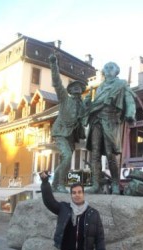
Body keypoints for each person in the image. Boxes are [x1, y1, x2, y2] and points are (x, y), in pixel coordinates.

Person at [40, 170, 106, 250]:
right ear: (71, 195)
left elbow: (100, 238)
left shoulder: (93, 214)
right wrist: (45, 182)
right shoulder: (64, 208)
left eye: (79, 192)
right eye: (74, 193)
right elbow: (49, 201)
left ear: (83, 194)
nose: (77, 195)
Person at [83, 62, 136, 194]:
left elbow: (129, 99)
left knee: (110, 154)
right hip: (96, 121)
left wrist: (130, 113)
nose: (108, 69)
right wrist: (88, 104)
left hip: (110, 121)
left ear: (116, 71)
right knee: (94, 154)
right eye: (105, 67)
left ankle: (115, 183)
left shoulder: (121, 84)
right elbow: (95, 105)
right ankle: (96, 184)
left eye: (111, 67)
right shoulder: (99, 87)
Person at [49, 54, 87, 193]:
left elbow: (86, 117)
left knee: (65, 160)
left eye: (79, 87)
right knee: (67, 156)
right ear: (70, 90)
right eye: (74, 87)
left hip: (72, 136)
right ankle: (59, 184)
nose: (77, 89)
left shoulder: (83, 105)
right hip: (60, 131)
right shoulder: (65, 99)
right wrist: (54, 64)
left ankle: (54, 184)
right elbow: (57, 82)